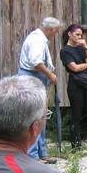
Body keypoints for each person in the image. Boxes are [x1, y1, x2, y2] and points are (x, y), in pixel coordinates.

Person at [18, 17, 62, 161]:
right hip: (31, 78)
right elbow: (36, 62)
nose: (55, 34)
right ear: (50, 29)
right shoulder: (37, 40)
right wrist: (50, 74)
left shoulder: (39, 38)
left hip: (35, 78)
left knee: (41, 116)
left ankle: (41, 152)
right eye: (55, 31)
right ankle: (32, 155)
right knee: (34, 117)